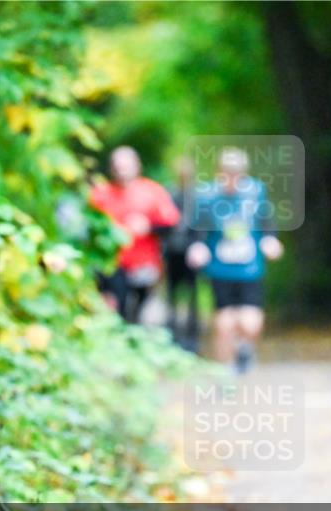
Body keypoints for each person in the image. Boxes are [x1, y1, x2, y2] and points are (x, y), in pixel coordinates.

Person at [187, 147, 283, 373]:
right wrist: (197, 246)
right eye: (228, 173)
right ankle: (225, 370)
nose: (232, 178)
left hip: (250, 268)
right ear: (219, 172)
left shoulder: (256, 192)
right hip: (220, 268)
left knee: (250, 324)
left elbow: (267, 221)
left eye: (237, 173)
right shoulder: (207, 196)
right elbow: (196, 228)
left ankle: (244, 348)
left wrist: (270, 240)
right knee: (224, 322)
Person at [90, 146, 180, 323]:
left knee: (139, 312)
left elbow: (171, 225)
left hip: (143, 264)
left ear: (137, 166)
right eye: (118, 167)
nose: (122, 171)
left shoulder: (153, 191)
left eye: (126, 166)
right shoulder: (101, 194)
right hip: (112, 264)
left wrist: (148, 227)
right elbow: (89, 229)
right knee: (116, 308)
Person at [164, 156, 201, 351]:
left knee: (192, 297)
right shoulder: (170, 194)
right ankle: (172, 336)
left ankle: (191, 339)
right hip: (173, 253)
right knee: (172, 296)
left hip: (191, 253)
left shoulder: (197, 196)